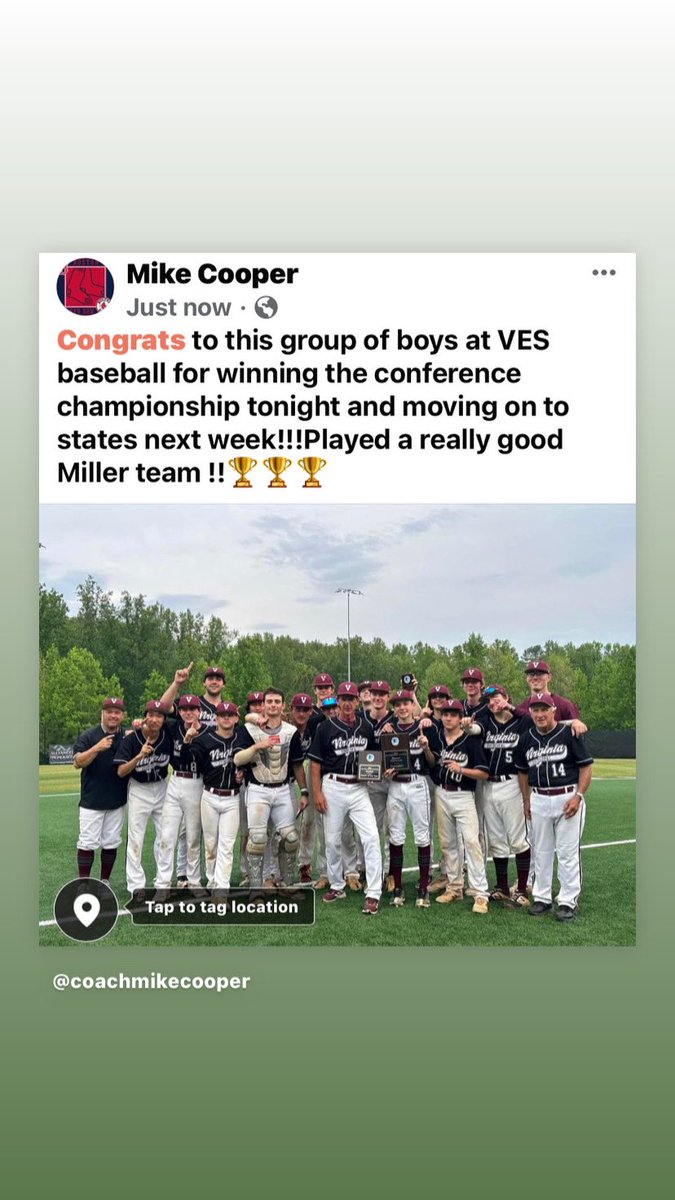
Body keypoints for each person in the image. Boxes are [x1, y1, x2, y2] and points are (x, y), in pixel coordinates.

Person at [515, 693, 593, 921]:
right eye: (535, 710)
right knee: (541, 851)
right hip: (538, 798)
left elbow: (586, 767)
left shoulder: (568, 733)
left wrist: (578, 796)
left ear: (553, 711)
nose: (539, 714)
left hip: (566, 797)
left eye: (543, 709)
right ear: (530, 712)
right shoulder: (526, 737)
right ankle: (542, 898)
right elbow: (522, 771)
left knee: (568, 853)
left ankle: (568, 901)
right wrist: (526, 799)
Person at [308, 682, 382, 915]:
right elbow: (315, 763)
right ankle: (337, 885)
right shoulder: (326, 727)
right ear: (337, 701)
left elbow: (372, 755)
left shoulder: (366, 726)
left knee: (370, 837)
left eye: (351, 698)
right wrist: (318, 792)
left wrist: (372, 772)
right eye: (344, 698)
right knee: (331, 840)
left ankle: (374, 892)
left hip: (359, 788)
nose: (348, 702)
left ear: (358, 701)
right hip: (334, 786)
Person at [233, 688, 308, 891]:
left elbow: (297, 765)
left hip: (283, 789)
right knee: (257, 839)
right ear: (263, 705)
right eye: (269, 701)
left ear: (283, 705)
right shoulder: (248, 729)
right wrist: (258, 746)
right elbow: (237, 759)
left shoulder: (290, 731)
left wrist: (304, 791)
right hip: (258, 789)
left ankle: (287, 883)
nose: (273, 705)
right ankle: (256, 889)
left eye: (277, 701)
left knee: (291, 838)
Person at [427, 700, 491, 913]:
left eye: (453, 714)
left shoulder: (471, 740)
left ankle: (480, 892)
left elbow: (483, 773)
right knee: (448, 843)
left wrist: (461, 770)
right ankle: (455, 887)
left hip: (463, 794)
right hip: (441, 792)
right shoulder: (437, 739)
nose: (448, 718)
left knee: (472, 842)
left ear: (459, 717)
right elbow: (431, 762)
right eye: (445, 714)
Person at [470, 686, 532, 906]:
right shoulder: (487, 721)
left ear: (506, 698)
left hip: (512, 783)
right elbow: (476, 730)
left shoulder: (520, 721)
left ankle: (522, 888)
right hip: (488, 785)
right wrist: (470, 726)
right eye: (488, 699)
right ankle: (503, 887)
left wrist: (511, 707)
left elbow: (532, 719)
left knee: (518, 838)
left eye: (496, 697)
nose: (492, 702)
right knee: (496, 839)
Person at [190, 701, 248, 901]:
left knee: (227, 844)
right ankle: (213, 881)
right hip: (210, 796)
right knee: (211, 844)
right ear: (215, 717)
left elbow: (250, 761)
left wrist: (243, 772)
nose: (226, 718)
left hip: (232, 797)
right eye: (222, 714)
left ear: (235, 718)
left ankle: (221, 888)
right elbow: (193, 761)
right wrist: (189, 740)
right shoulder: (205, 740)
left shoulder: (241, 739)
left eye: (230, 715)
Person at [115, 699, 172, 899]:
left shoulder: (168, 735)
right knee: (135, 838)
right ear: (145, 716)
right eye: (151, 714)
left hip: (162, 787)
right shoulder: (131, 740)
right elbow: (121, 771)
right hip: (139, 789)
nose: (155, 719)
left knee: (166, 837)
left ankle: (163, 883)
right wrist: (139, 757)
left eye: (159, 715)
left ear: (165, 719)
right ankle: (136, 886)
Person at [385, 689, 434, 909]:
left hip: (417, 783)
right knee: (396, 836)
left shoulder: (423, 726)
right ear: (394, 708)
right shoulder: (389, 729)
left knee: (423, 836)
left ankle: (424, 888)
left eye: (406, 703)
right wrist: (385, 771)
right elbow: (382, 760)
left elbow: (432, 762)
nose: (403, 707)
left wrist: (426, 748)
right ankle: (398, 888)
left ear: (412, 706)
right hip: (396, 785)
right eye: (398, 704)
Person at [154, 695, 207, 896]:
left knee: (193, 836)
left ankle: (194, 881)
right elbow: (158, 713)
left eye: (193, 709)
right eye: (184, 709)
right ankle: (163, 884)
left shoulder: (207, 732)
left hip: (196, 782)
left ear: (199, 711)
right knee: (167, 835)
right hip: (175, 781)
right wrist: (140, 724)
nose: (188, 712)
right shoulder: (173, 726)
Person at [73, 697, 129, 885]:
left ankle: (104, 881)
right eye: (109, 711)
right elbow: (78, 762)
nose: (113, 715)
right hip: (92, 800)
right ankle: (84, 884)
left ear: (122, 715)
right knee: (87, 843)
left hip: (116, 799)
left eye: (117, 712)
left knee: (111, 842)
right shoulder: (89, 735)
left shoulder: (126, 735)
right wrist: (97, 748)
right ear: (102, 713)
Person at [513, 660, 580, 720]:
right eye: (531, 674)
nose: (535, 677)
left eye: (540, 674)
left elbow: (577, 729)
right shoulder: (521, 708)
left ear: (549, 677)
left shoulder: (565, 705)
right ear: (527, 678)